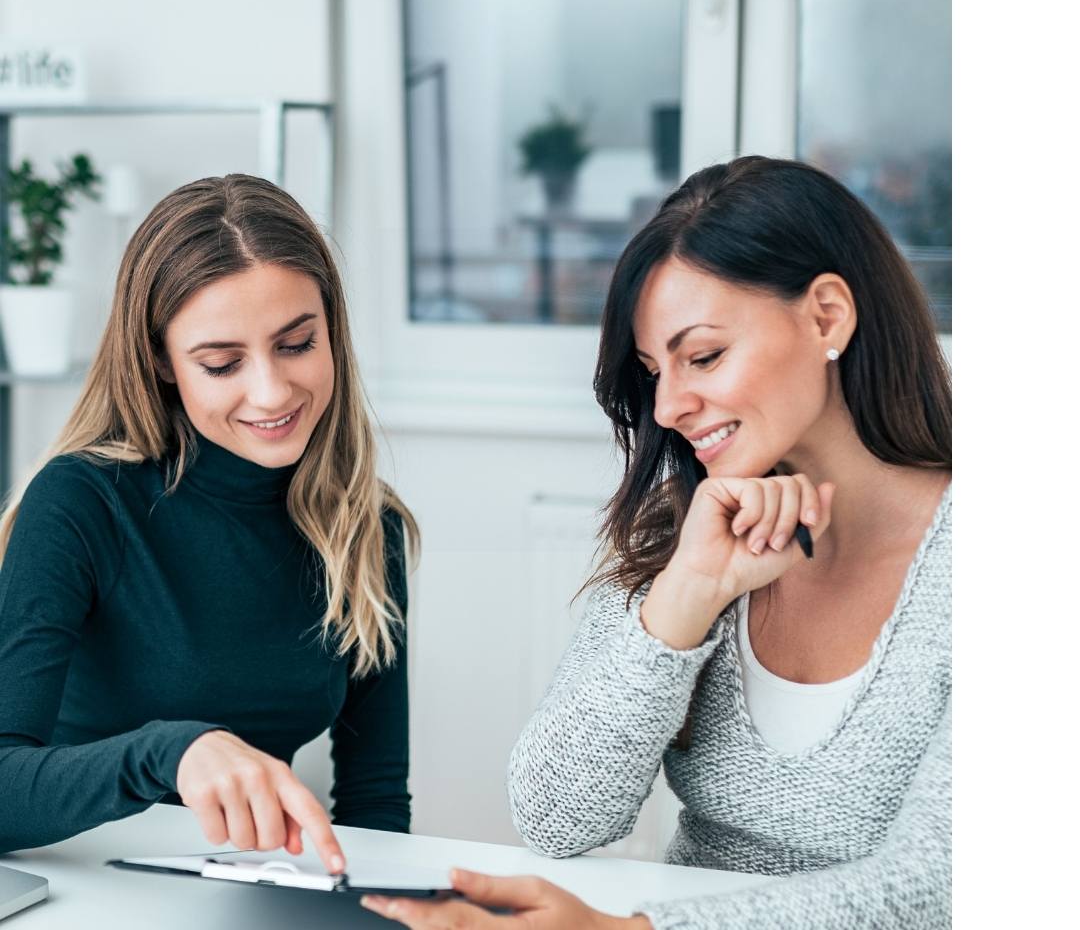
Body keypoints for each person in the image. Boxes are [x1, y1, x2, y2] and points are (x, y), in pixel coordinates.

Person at [361, 156, 950, 928]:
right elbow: (555, 814)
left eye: (702, 356)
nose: (669, 406)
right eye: (652, 371)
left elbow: (942, 883)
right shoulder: (692, 526)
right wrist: (685, 598)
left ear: (827, 316)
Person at [0, 174, 417, 873]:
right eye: (222, 363)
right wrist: (170, 752)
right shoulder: (81, 503)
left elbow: (375, 801)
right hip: (77, 885)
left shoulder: (365, 526)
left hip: (242, 891)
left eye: (297, 344)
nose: (272, 391)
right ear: (162, 361)